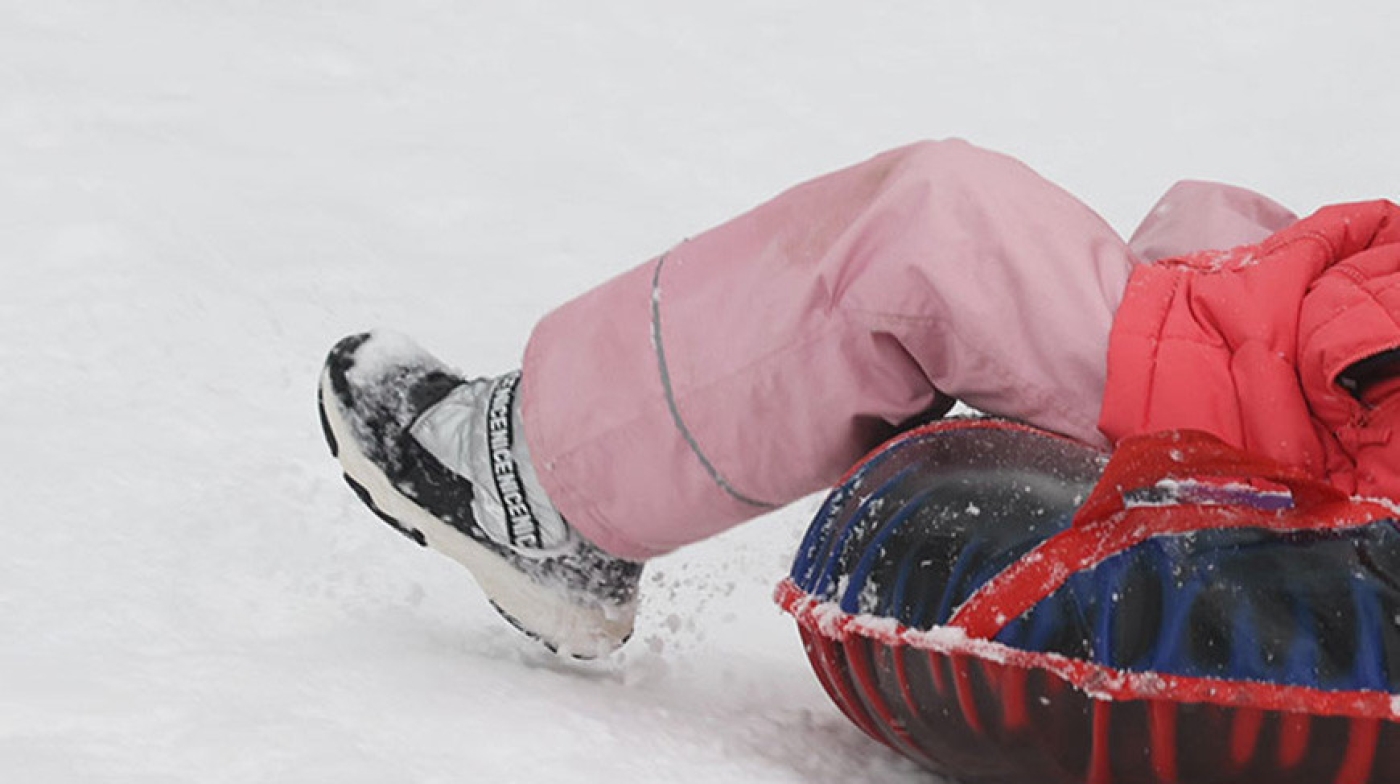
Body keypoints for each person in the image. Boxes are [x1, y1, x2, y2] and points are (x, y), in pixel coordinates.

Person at [316, 138, 1400, 659]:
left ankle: (552, 492)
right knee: (1215, 215)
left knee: (932, 233)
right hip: (1309, 354)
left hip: (1311, 430)